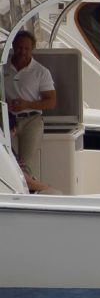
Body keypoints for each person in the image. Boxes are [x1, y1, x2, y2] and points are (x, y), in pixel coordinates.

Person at [4, 30, 56, 190]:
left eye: (27, 48)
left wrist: (26, 104)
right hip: (7, 121)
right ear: (13, 46)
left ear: (32, 49)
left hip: (31, 121)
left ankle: (29, 194)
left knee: (25, 165)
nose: (22, 52)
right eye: (19, 48)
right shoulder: (3, 69)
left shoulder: (41, 72)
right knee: (9, 163)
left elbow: (51, 102)